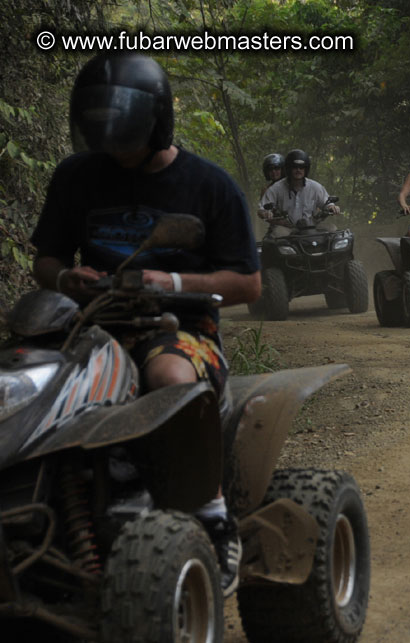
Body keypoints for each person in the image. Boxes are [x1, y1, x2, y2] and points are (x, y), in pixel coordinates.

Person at [30, 52, 261, 597]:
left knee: (168, 377)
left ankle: (213, 516)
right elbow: (46, 260)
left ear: (156, 125)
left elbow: (248, 284)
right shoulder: (77, 175)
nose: (114, 151)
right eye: (103, 138)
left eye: (125, 139)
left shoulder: (209, 185)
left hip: (180, 328)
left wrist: (171, 282)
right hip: (89, 325)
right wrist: (66, 278)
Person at [259, 149, 340, 231]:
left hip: (311, 227)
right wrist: (266, 213)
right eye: (295, 167)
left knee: (332, 229)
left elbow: (326, 203)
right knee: (278, 233)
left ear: (306, 169)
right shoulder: (275, 188)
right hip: (286, 228)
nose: (298, 170)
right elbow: (262, 209)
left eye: (301, 167)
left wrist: (332, 207)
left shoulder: (315, 187)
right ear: (289, 169)